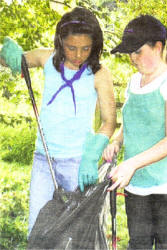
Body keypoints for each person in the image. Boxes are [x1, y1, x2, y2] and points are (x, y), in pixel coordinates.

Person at [0, 7, 116, 235]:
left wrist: (91, 157)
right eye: (71, 48)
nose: (78, 55)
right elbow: (11, 61)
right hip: (44, 160)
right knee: (38, 228)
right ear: (60, 41)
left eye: (86, 48)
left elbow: (109, 121)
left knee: (74, 232)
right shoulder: (47, 58)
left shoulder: (100, 74)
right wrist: (6, 54)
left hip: (77, 162)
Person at [103, 14, 167, 249]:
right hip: (138, 181)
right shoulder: (134, 82)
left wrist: (131, 163)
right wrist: (116, 142)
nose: (133, 59)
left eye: (138, 51)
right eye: (130, 53)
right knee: (139, 243)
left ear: (158, 47)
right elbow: (132, 121)